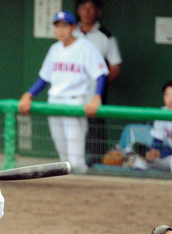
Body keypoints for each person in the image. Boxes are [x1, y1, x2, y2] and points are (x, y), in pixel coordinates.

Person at [19, 10, 108, 174]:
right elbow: (44, 78)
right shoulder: (55, 49)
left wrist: (96, 98)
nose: (60, 30)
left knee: (75, 158)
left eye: (64, 26)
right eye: (57, 26)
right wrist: (29, 94)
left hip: (74, 102)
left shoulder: (85, 47)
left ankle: (82, 185)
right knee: (63, 155)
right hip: (54, 102)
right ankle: (67, 192)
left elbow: (100, 73)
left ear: (73, 27)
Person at [74, 0, 122, 164]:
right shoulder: (71, 34)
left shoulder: (106, 36)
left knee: (95, 130)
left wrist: (99, 89)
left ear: (98, 12)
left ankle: (94, 164)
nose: (87, 12)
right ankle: (73, 164)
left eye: (91, 8)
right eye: (83, 8)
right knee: (73, 130)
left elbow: (115, 67)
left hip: (95, 96)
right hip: (71, 94)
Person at [132, 80, 172, 177]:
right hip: (170, 155)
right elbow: (157, 141)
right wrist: (152, 152)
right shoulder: (163, 112)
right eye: (167, 95)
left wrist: (162, 153)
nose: (169, 99)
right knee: (141, 160)